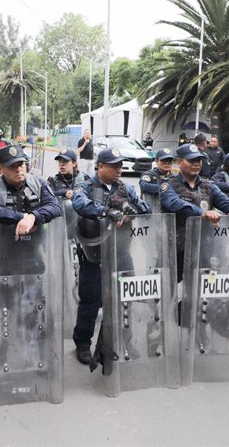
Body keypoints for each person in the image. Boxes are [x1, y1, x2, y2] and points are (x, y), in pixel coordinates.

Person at [71, 148, 150, 365]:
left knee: (125, 299)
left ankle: (125, 340)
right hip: (94, 254)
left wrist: (135, 209)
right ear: (100, 167)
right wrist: (106, 211)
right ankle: (83, 343)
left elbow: (144, 207)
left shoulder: (125, 188)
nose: (119, 170)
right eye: (114, 166)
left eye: (120, 166)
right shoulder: (85, 185)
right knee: (91, 300)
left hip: (122, 251)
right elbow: (79, 203)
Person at [160, 144, 229, 283]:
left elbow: (224, 201)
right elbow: (174, 203)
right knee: (168, 286)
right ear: (179, 162)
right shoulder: (168, 184)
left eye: (199, 161)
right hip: (175, 246)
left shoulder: (208, 185)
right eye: (191, 160)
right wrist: (203, 212)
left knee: (202, 286)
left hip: (203, 245)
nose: (196, 164)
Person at [0, 143, 61, 237]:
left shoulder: (38, 183)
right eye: (12, 166)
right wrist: (20, 217)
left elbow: (55, 206)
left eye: (21, 164)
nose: (18, 169)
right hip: (1, 244)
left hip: (36, 244)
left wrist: (33, 217)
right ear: (1, 168)